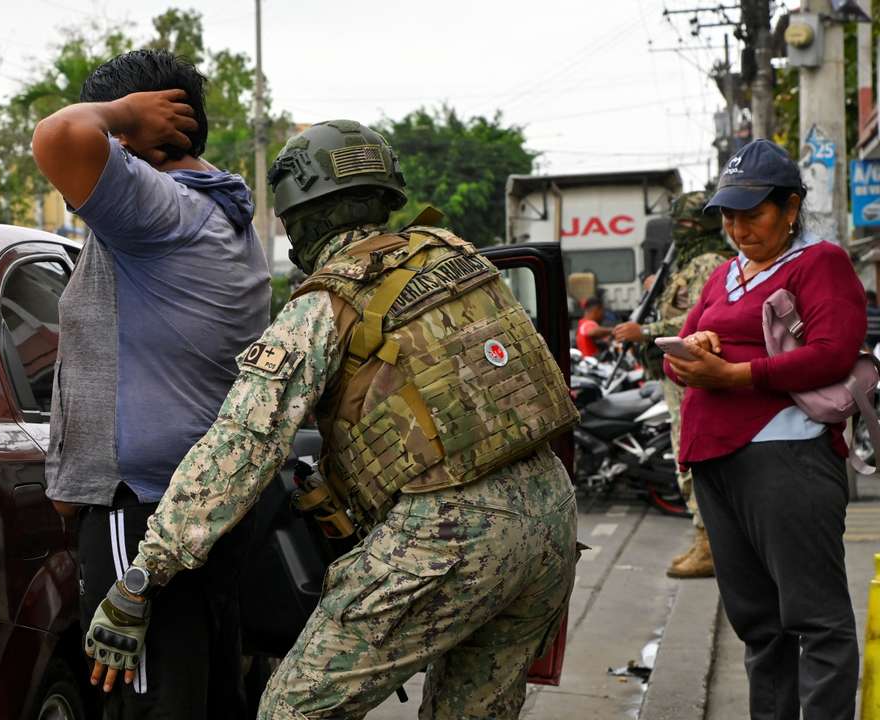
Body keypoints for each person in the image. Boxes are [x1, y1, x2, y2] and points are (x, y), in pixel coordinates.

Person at [84, 119, 580, 719]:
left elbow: (242, 443)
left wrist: (141, 578)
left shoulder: (328, 301)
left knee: (294, 710)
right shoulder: (458, 258)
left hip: (449, 534)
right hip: (551, 516)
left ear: (305, 214)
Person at [31, 49, 270, 718]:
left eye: (115, 129)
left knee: (145, 705)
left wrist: (119, 117)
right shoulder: (224, 214)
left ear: (142, 134)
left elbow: (57, 136)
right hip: (204, 505)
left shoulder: (160, 214)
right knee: (204, 696)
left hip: (138, 509)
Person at [665, 139, 863, 720]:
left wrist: (737, 373)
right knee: (759, 625)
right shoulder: (724, 273)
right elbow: (678, 355)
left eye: (753, 214)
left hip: (786, 456)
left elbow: (833, 351)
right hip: (716, 459)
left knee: (816, 620)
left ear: (791, 208)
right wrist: (692, 347)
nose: (738, 227)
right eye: (729, 215)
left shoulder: (819, 262)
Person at [613, 191, 734, 578]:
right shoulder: (689, 262)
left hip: (694, 375)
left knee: (691, 459)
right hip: (680, 376)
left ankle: (710, 545)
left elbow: (701, 322)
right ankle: (705, 540)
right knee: (687, 458)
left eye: (684, 225)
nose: (680, 232)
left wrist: (644, 330)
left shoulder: (709, 262)